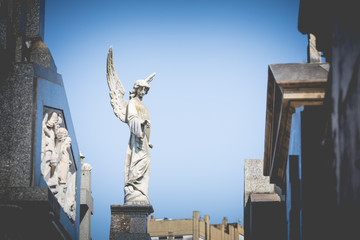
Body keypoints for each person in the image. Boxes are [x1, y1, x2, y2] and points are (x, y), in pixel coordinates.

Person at [124, 79, 152, 205]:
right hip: (137, 136)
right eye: (143, 89)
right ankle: (132, 185)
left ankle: (139, 190)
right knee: (140, 160)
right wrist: (141, 123)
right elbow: (132, 118)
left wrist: (148, 140)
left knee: (146, 160)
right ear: (137, 88)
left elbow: (147, 123)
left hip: (143, 138)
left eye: (146, 90)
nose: (144, 92)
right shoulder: (132, 102)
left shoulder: (143, 105)